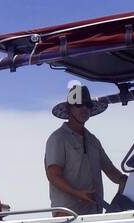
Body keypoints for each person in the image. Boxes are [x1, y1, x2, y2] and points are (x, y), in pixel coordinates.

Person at [44, 85, 125, 215]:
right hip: (68, 215)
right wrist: (78, 194)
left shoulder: (93, 141)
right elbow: (54, 176)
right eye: (79, 104)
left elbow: (110, 170)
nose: (84, 108)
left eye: (88, 105)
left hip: (93, 215)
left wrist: (127, 180)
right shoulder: (58, 138)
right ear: (68, 109)